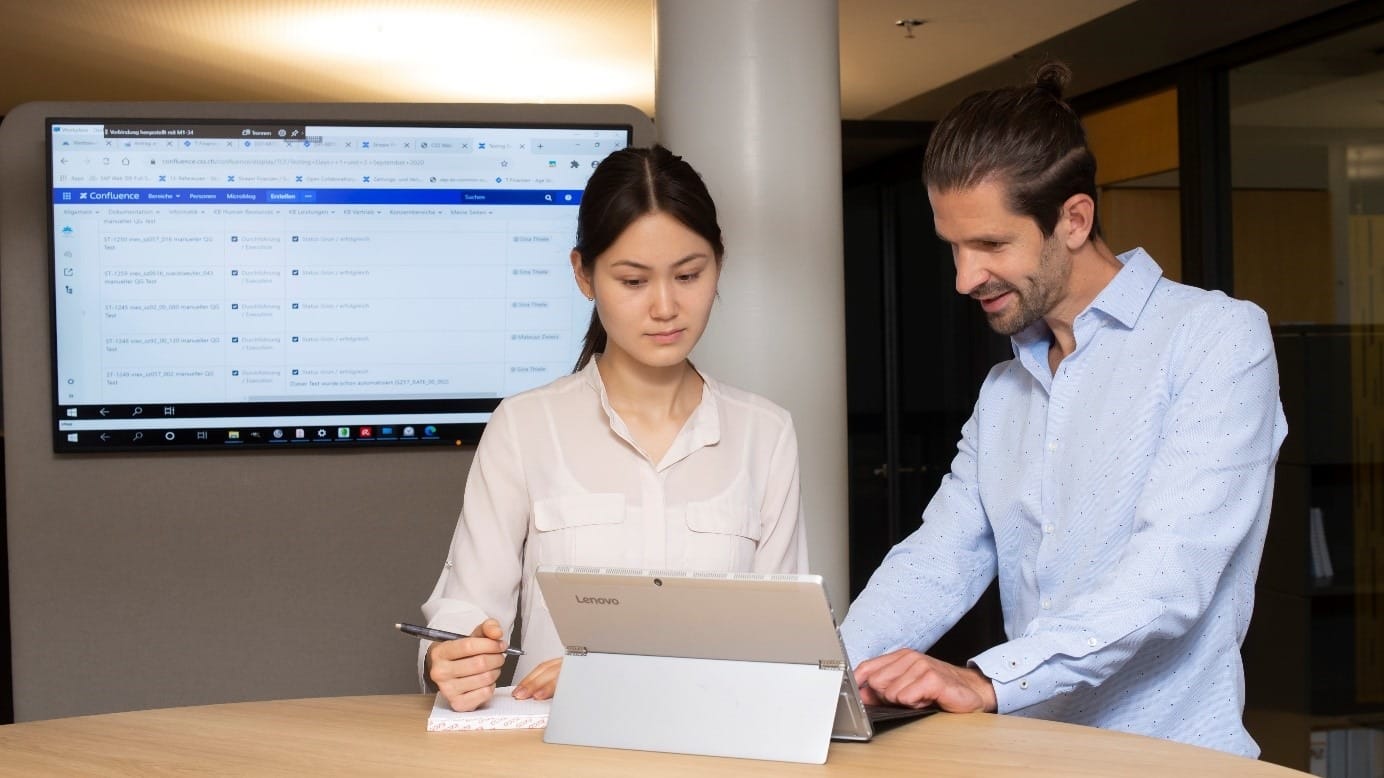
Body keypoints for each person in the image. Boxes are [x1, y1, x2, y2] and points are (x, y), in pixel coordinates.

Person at [840, 61, 1288, 758]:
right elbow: (938, 560)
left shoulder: (1217, 339)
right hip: (1035, 757)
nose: (964, 278)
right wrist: (826, 674)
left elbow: (1169, 574)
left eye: (990, 244)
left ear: (1073, 219)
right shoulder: (1003, 392)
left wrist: (986, 679)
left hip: (1176, 762)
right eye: (954, 248)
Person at [418, 145, 809, 712]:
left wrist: (615, 676)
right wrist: (451, 657)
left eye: (689, 275)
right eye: (633, 281)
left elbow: (783, 651)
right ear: (584, 275)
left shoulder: (765, 436)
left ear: (718, 266)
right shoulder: (526, 427)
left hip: (711, 755)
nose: (666, 306)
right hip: (552, 756)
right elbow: (465, 609)